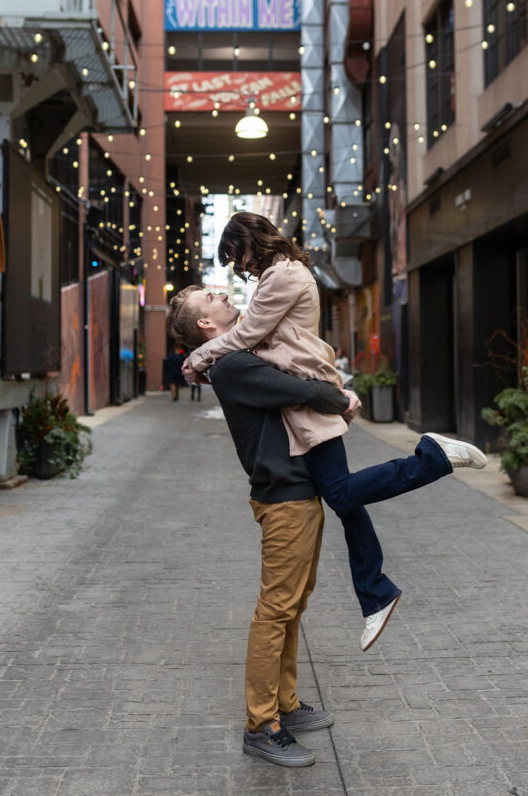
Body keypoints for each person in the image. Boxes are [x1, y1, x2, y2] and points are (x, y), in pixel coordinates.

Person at [183, 213, 488, 651]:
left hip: (308, 395)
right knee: (344, 498)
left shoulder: (284, 275)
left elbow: (249, 335)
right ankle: (375, 593)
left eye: (237, 255)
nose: (238, 267)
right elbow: (253, 359)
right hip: (303, 398)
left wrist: (200, 355)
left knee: (342, 493)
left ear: (251, 242)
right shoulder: (275, 275)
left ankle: (434, 457)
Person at [168, 287, 353, 768]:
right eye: (212, 296)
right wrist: (341, 396)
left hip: (298, 488)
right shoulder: (233, 366)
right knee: (276, 610)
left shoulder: (236, 356)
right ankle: (261, 725)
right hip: (284, 495)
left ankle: (286, 705)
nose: (224, 293)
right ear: (206, 324)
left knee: (293, 604)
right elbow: (304, 389)